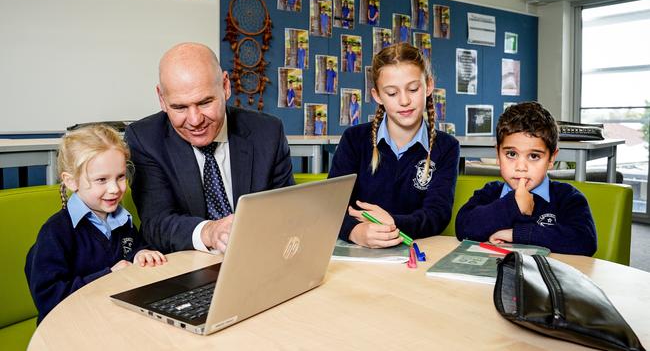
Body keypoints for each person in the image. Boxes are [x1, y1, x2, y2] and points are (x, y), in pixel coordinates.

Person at [125, 42, 294, 254]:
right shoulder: (145, 139)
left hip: (259, 256)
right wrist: (210, 232)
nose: (195, 120)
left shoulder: (268, 133)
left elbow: (287, 210)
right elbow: (157, 223)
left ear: (225, 86)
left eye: (205, 102)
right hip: (186, 270)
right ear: (161, 98)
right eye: (179, 107)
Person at [25, 125, 166, 324]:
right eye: (101, 180)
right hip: (69, 326)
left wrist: (141, 254)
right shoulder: (55, 233)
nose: (115, 189)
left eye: (120, 177)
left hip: (111, 318)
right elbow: (49, 298)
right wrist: (108, 277)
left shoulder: (123, 221)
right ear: (71, 181)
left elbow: (132, 251)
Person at [328, 43, 460, 248]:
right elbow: (332, 206)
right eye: (391, 93)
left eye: (413, 89)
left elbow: (437, 214)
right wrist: (355, 232)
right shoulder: (354, 139)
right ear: (377, 96)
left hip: (415, 254)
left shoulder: (447, 147)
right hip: (359, 253)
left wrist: (393, 223)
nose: (404, 100)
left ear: (429, 86)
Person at [455, 102, 597, 256]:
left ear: (551, 159)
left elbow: (585, 240)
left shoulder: (567, 197)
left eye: (534, 156)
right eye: (511, 154)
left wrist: (516, 235)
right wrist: (512, 205)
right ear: (498, 154)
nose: (521, 167)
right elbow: (463, 227)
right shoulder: (489, 193)